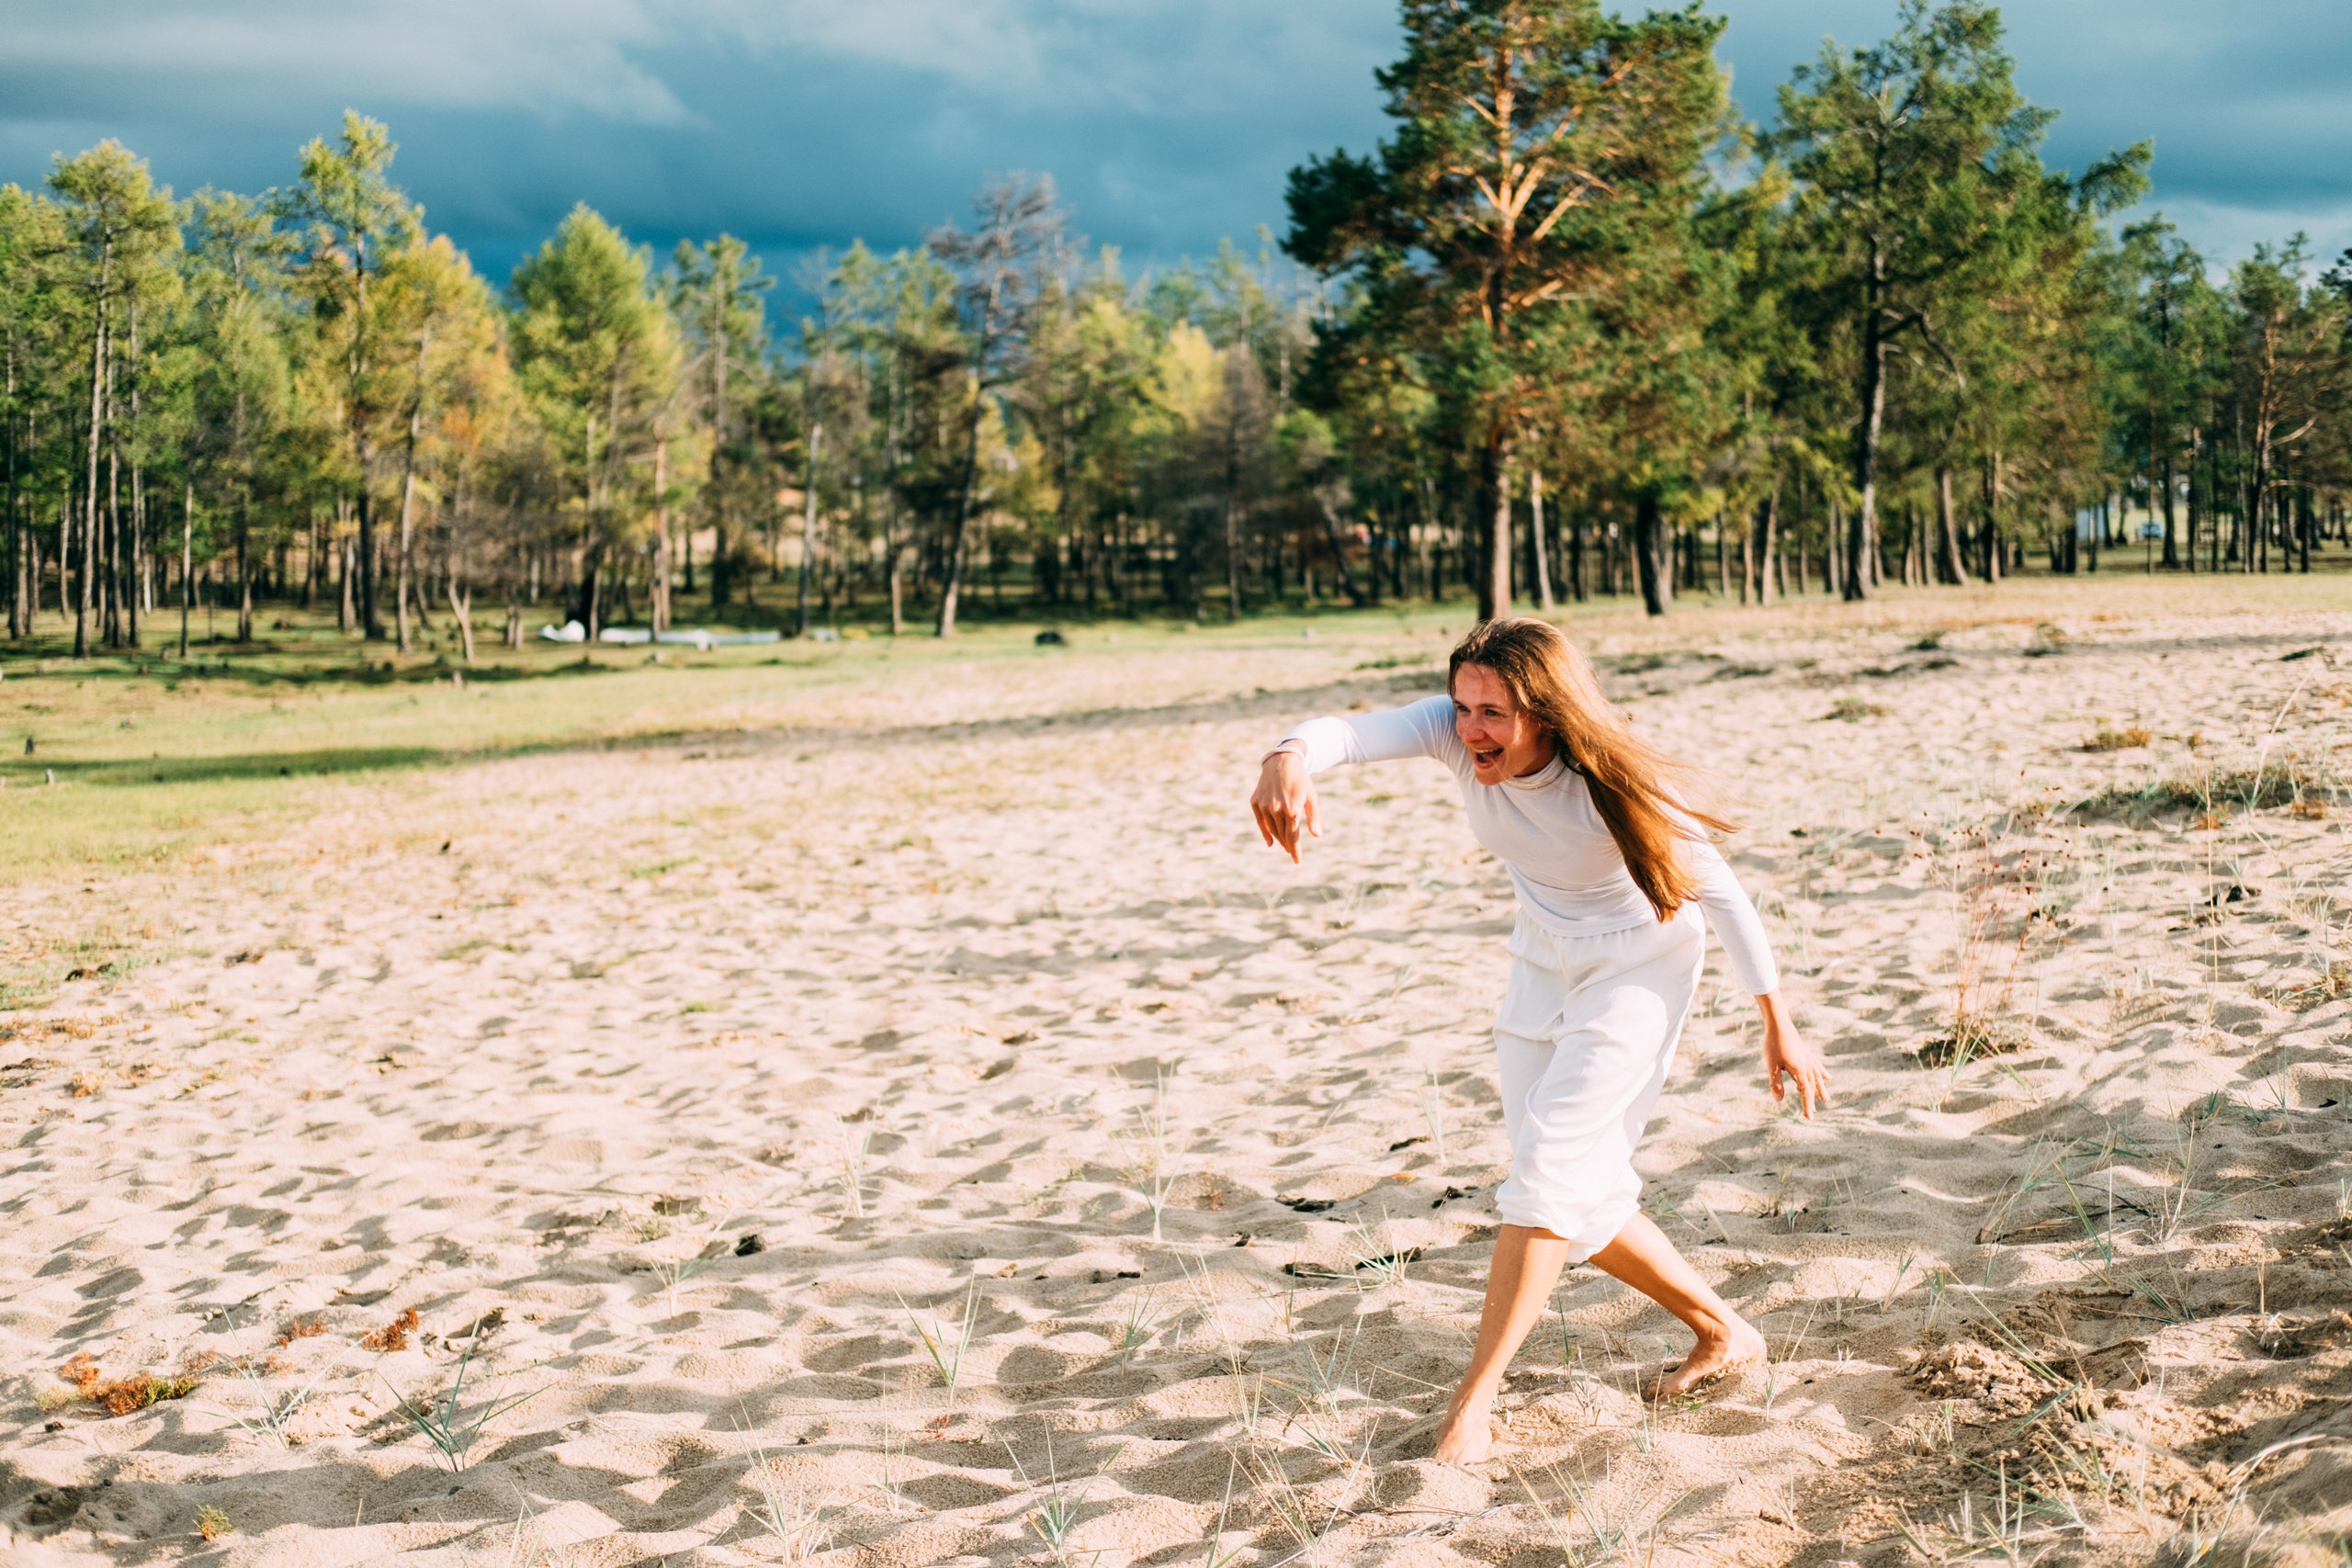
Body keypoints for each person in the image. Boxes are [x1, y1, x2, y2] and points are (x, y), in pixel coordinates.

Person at [1249, 618, 1829, 1464]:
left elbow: (1727, 895)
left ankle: (1471, 1406)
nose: (1470, 728)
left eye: (1493, 711)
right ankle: (1722, 1329)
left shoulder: (1609, 784)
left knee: (1550, 1167)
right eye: (1461, 706)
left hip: (1640, 963)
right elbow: (1347, 734)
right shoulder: (1455, 740)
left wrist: (1778, 1019)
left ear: (1546, 713)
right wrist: (1286, 757)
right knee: (1565, 1187)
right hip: (1542, 961)